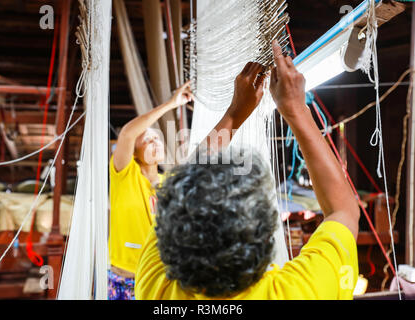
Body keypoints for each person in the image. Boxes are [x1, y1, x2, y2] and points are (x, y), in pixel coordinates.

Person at [135, 41, 360, 300]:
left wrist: (234, 114)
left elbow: (190, 185)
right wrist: (295, 109)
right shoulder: (292, 292)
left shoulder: (155, 287)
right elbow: (343, 212)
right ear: (266, 241)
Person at [108, 81, 193, 300]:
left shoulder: (170, 184)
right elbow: (127, 133)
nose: (156, 142)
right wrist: (171, 104)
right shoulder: (124, 175)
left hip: (161, 280)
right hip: (126, 282)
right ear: (134, 153)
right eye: (147, 140)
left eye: (157, 138)